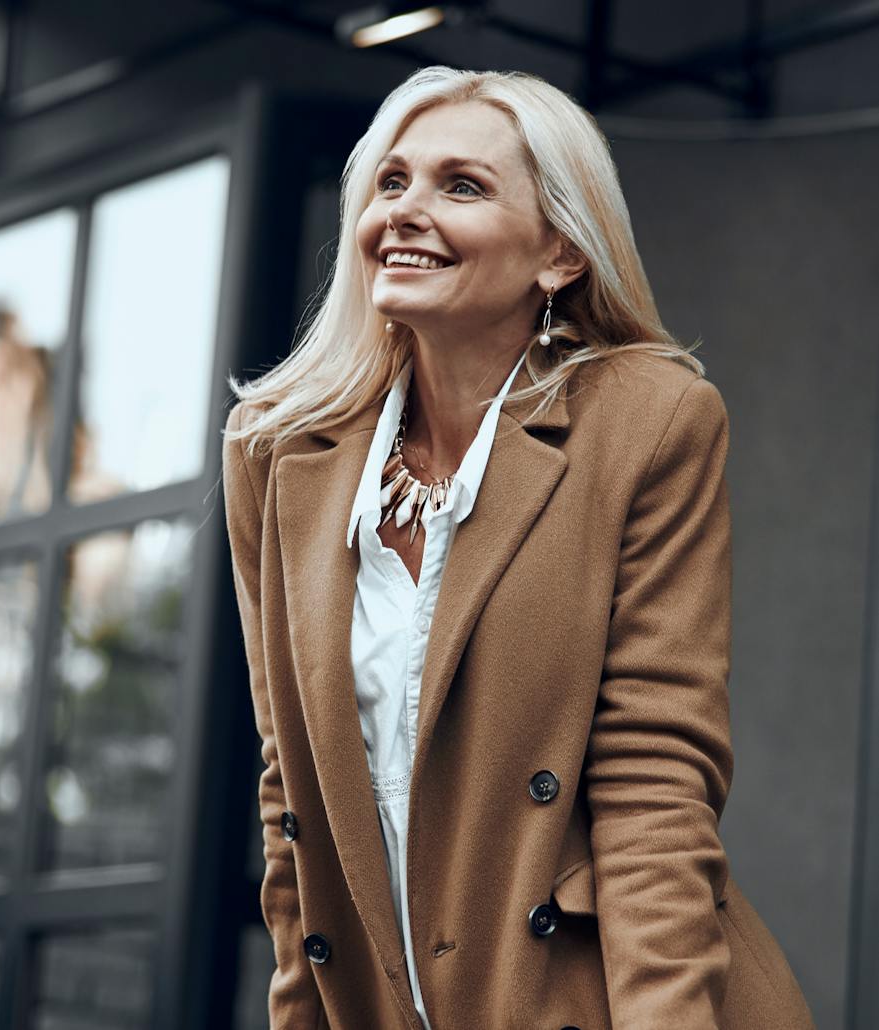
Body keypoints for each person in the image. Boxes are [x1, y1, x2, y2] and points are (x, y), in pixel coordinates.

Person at [221, 65, 815, 1030]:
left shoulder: (649, 421)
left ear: (560, 254)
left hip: (595, 999)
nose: (405, 211)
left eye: (461, 186)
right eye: (391, 181)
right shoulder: (278, 451)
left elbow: (653, 779)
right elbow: (290, 792)